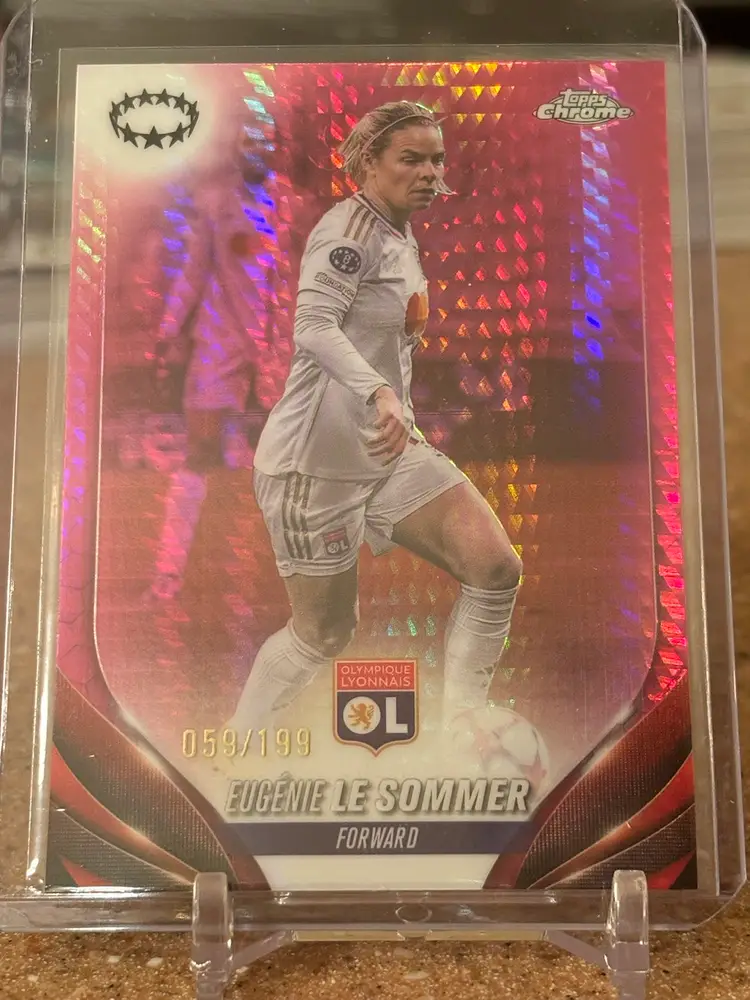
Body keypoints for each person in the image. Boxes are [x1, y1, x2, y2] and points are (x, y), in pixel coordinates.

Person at [225, 100, 523, 738]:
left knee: (495, 568)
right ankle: (238, 749)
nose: (428, 173)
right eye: (410, 159)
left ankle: (467, 733)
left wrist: (394, 408)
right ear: (368, 163)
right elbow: (313, 327)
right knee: (323, 634)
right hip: (313, 468)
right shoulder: (348, 233)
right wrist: (380, 392)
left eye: (436, 160)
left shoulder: (399, 235)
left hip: (386, 450)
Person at [147, 113, 290, 601]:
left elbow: (293, 276)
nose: (256, 152)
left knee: (285, 459)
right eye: (248, 143)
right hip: (219, 343)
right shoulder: (214, 202)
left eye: (265, 143)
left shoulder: (290, 205)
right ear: (235, 148)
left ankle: (283, 580)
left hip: (274, 347)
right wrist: (169, 329)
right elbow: (193, 273)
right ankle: (169, 575)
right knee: (201, 451)